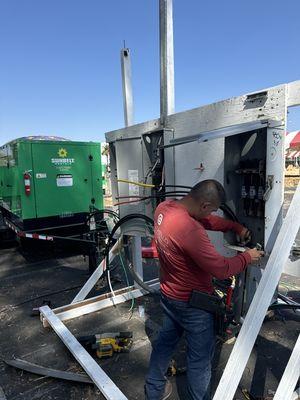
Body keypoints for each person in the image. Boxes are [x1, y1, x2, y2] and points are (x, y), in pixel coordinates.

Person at [145, 179, 264, 400]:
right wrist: (248, 257)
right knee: (199, 362)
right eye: (212, 209)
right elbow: (222, 269)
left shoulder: (165, 208)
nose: (212, 214)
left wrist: (234, 226)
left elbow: (208, 221)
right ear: (204, 205)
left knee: (164, 345)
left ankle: (152, 391)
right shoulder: (191, 230)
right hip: (193, 306)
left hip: (169, 296)